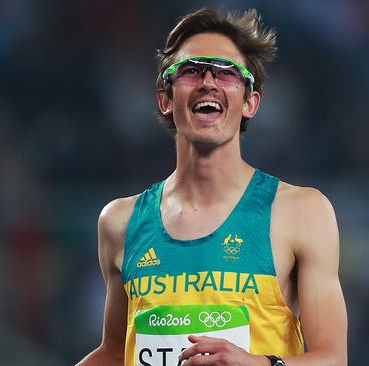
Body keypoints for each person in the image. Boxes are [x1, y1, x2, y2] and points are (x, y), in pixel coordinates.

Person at [77, 7, 347, 366]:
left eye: (227, 73)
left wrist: (259, 364)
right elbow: (113, 353)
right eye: (190, 70)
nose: (208, 81)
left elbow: (332, 358)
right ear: (165, 99)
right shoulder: (120, 222)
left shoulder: (301, 211)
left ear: (251, 102)